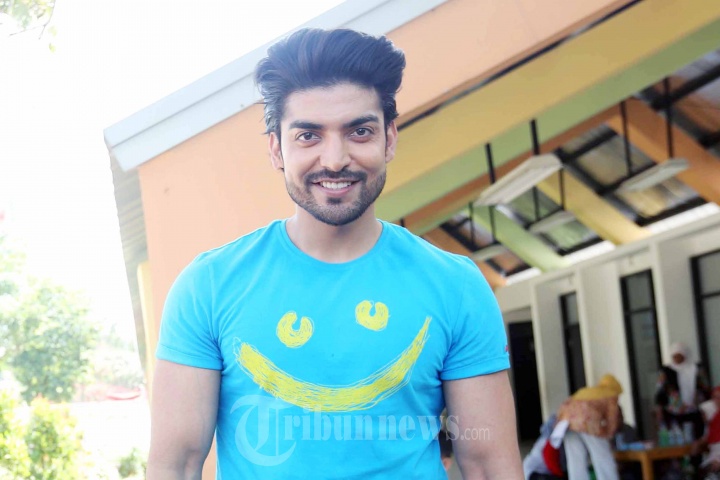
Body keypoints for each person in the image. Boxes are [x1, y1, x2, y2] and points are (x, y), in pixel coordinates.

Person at [146, 28, 523, 479]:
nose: (335, 159)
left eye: (359, 131)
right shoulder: (208, 286)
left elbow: (489, 464)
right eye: (308, 136)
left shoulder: (456, 285)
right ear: (276, 149)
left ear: (389, 139)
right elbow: (177, 464)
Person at [553, 374, 623, 480]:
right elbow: (612, 418)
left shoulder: (586, 392)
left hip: (566, 423)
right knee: (603, 458)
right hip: (588, 423)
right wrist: (608, 434)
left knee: (575, 460)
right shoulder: (610, 393)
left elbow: (565, 405)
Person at [655, 342, 711, 441]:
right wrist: (659, 409)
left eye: (679, 356)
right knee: (677, 437)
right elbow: (660, 389)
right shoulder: (666, 371)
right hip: (674, 410)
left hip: (694, 409)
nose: (677, 359)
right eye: (674, 356)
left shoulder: (696, 369)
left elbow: (705, 387)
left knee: (696, 436)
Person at [694, 385, 720, 477]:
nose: (716, 401)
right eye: (714, 397)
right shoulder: (712, 422)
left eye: (718, 398)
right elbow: (708, 436)